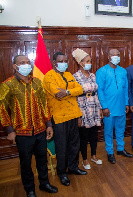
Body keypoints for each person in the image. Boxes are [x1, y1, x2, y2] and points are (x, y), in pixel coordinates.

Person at [0, 55, 58, 197]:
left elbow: (44, 104)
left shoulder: (37, 82)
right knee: (26, 164)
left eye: (28, 62)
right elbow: (1, 107)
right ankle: (30, 189)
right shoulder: (8, 84)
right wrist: (9, 129)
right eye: (22, 63)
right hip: (21, 133)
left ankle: (44, 183)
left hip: (40, 130)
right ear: (15, 66)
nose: (26, 65)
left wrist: (49, 124)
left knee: (42, 160)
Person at [43, 52, 87, 187]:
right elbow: (57, 94)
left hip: (73, 115)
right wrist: (69, 92)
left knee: (74, 144)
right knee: (62, 147)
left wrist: (68, 92)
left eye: (65, 60)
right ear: (54, 63)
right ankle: (62, 173)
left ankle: (73, 167)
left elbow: (80, 89)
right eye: (60, 61)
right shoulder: (48, 76)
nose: (63, 63)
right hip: (59, 117)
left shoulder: (69, 75)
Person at [96, 49, 133, 164]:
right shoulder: (102, 71)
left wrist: (126, 103)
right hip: (109, 108)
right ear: (108, 57)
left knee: (121, 129)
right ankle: (110, 152)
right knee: (108, 131)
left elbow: (126, 88)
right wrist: (104, 107)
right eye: (113, 55)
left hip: (121, 106)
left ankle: (120, 149)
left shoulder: (123, 71)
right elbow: (100, 90)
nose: (115, 57)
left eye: (118, 55)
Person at [72, 48, 103, 169]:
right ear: (80, 63)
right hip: (83, 109)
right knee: (83, 136)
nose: (89, 63)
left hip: (94, 107)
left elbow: (96, 93)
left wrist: (100, 109)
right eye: (87, 61)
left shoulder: (92, 75)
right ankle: (84, 159)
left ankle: (94, 156)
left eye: (90, 61)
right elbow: (74, 98)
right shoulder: (75, 77)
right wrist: (78, 116)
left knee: (94, 134)